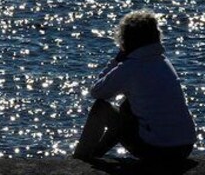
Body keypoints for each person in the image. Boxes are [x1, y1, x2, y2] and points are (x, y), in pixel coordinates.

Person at [73, 10, 196, 162]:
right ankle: (96, 154)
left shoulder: (131, 67)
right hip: (184, 147)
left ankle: (80, 158)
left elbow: (97, 91)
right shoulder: (164, 62)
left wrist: (116, 61)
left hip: (157, 150)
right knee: (127, 107)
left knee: (101, 108)